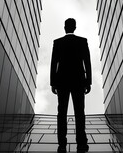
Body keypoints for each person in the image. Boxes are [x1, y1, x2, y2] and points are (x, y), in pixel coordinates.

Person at [50, 18, 91, 153]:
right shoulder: (82, 41)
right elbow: (87, 62)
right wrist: (88, 81)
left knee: (61, 112)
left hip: (62, 81)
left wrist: (53, 83)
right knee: (80, 112)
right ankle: (81, 141)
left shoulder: (57, 43)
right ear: (75, 27)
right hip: (78, 81)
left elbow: (53, 63)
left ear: (64, 27)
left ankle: (62, 142)